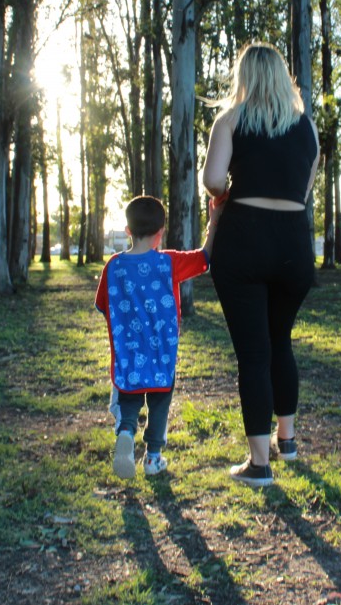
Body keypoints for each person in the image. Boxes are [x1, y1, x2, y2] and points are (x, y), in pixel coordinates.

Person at [202, 42, 319, 487]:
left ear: (245, 76)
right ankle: (286, 442)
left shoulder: (230, 119)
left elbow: (214, 180)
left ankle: (259, 465)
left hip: (245, 238)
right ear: (283, 76)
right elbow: (305, 188)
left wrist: (228, 193)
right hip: (293, 241)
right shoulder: (306, 125)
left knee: (253, 354)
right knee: (280, 341)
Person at [95, 195, 222, 479]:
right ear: (160, 232)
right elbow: (204, 259)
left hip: (128, 354)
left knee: (129, 399)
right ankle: (153, 458)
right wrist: (213, 222)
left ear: (128, 230)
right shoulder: (169, 263)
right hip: (161, 355)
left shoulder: (113, 267)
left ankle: (126, 430)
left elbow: (104, 306)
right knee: (159, 402)